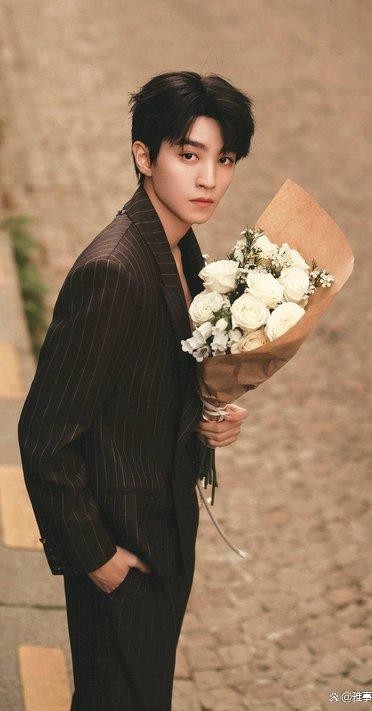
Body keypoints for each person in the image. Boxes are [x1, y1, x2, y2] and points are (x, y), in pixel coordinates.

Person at [17, 70, 255, 710]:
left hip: (164, 535)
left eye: (225, 159)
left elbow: (144, 385)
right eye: (189, 156)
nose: (210, 179)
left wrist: (209, 413)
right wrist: (99, 561)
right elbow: (43, 436)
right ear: (143, 156)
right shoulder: (113, 271)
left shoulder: (184, 253)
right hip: (122, 550)